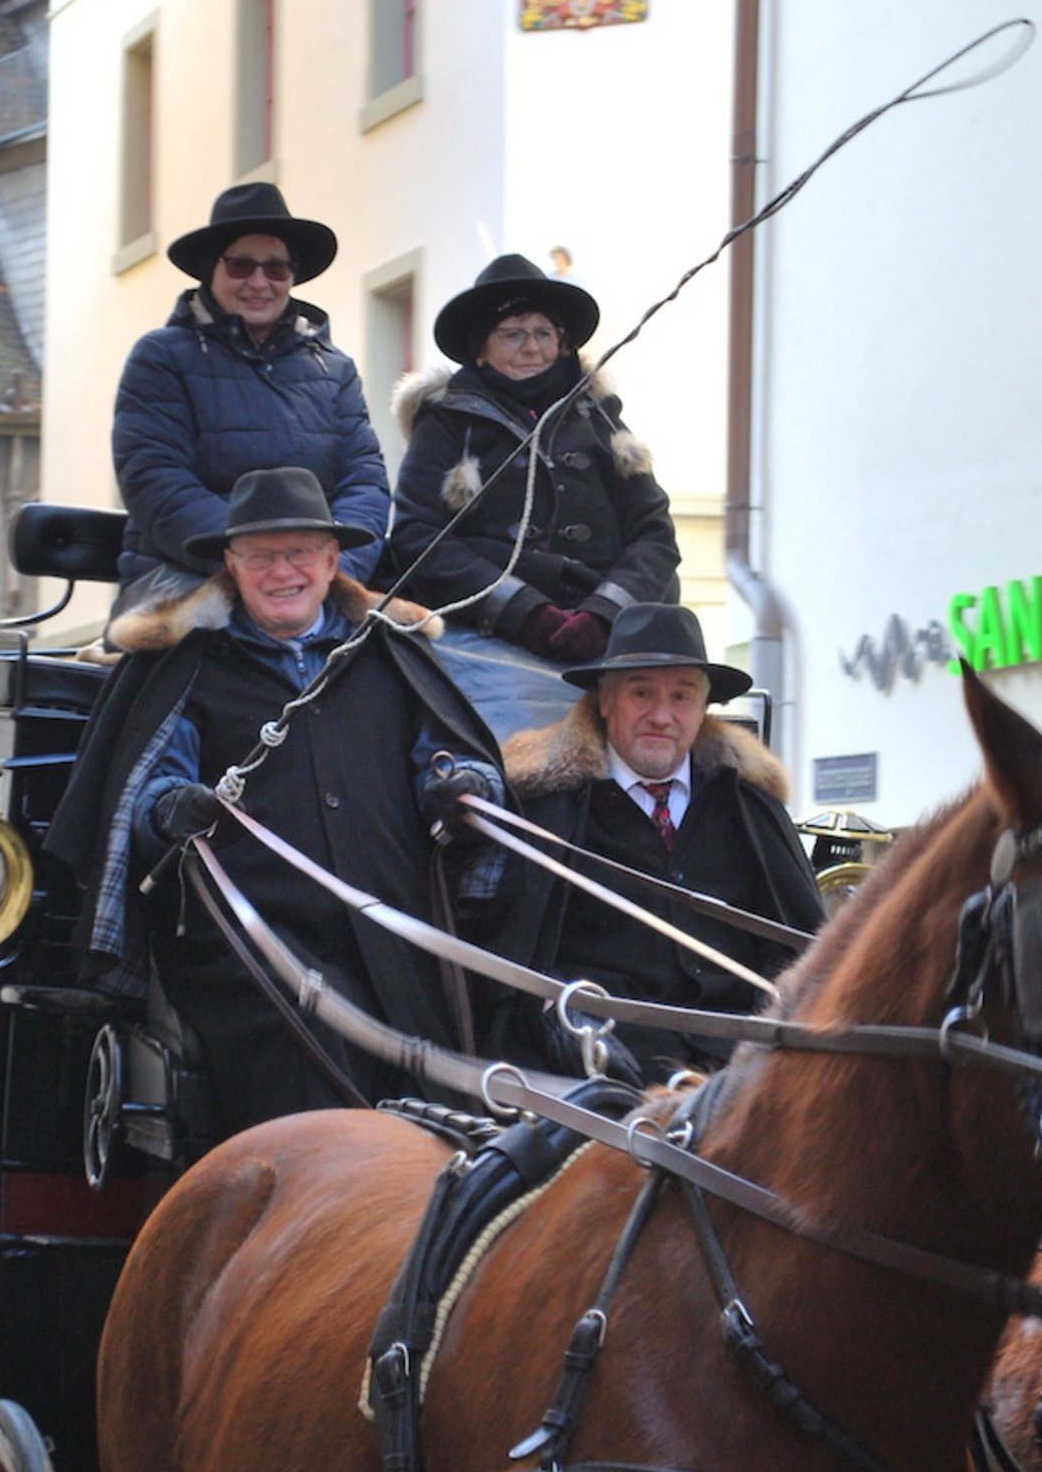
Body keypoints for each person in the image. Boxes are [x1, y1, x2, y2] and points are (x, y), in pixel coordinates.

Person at [47, 468, 512, 1139]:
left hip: (393, 944)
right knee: (315, 1084)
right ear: (232, 567)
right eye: (261, 556)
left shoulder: (388, 655)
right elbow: (147, 795)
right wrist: (170, 809)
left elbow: (449, 759)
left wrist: (462, 789)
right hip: (249, 954)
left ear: (331, 562)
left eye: (298, 553)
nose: (281, 571)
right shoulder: (189, 663)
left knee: (440, 1101)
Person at [495, 603, 824, 1085]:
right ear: (605, 701)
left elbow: (799, 945)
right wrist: (556, 1018)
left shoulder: (749, 805)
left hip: (741, 1067)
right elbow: (513, 956)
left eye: (681, 696)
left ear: (705, 707)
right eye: (642, 692)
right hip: (602, 1067)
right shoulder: (550, 806)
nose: (662, 716)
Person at [110, 182, 390, 617]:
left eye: (276, 269)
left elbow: (365, 482)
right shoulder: (160, 358)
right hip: (185, 574)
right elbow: (156, 482)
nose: (259, 282)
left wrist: (329, 570)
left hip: (319, 582)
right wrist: (256, 566)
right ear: (211, 270)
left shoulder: (334, 370)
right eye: (241, 266)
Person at [388, 254, 680, 667]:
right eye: (512, 334)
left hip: (608, 638)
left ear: (562, 344)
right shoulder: (446, 422)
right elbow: (417, 538)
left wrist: (603, 615)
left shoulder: (599, 415)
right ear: (480, 350)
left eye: (544, 333)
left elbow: (655, 532)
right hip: (485, 639)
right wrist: (526, 614)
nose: (532, 347)